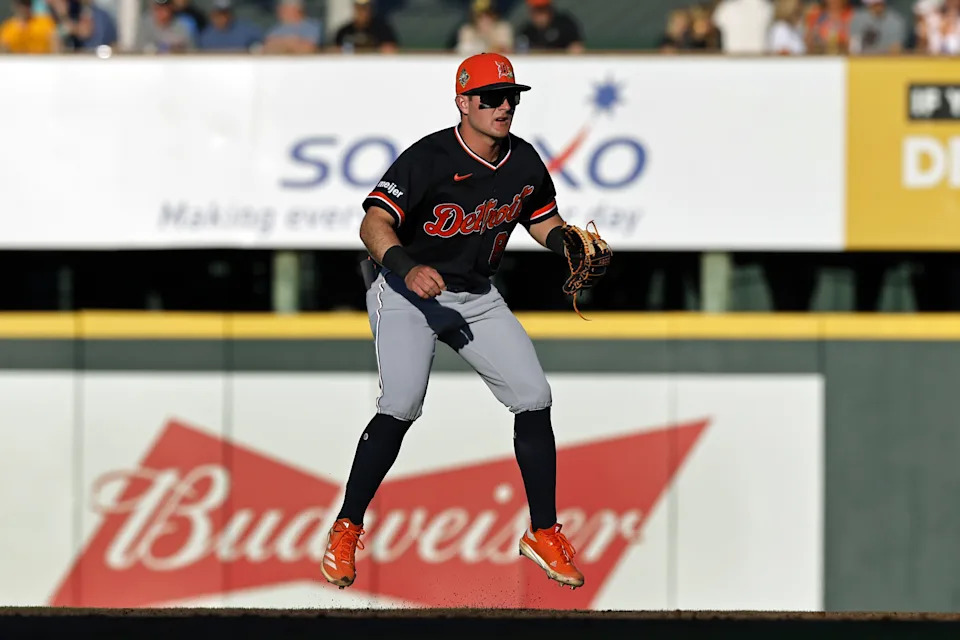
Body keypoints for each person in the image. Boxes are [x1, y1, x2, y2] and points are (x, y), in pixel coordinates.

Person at [320, 53, 594, 591]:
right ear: (463, 102)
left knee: (534, 397)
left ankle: (542, 532)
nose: (504, 106)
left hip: (475, 294)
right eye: (490, 98)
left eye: (511, 96)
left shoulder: (523, 161)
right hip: (403, 291)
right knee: (400, 404)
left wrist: (567, 242)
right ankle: (346, 526)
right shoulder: (430, 156)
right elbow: (373, 223)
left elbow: (543, 220)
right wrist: (405, 265)